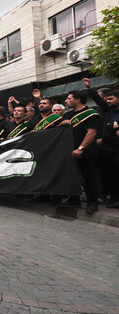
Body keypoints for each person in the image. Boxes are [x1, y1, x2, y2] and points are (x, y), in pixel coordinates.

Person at [59, 90, 101, 213]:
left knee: (89, 177)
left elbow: (91, 132)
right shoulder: (68, 115)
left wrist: (80, 148)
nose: (66, 101)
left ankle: (92, 203)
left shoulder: (91, 113)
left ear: (78, 100)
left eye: (68, 98)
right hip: (70, 150)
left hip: (85, 150)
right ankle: (74, 200)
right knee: (71, 176)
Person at [84, 78, 119, 208]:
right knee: (110, 177)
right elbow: (100, 101)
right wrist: (90, 89)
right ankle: (113, 197)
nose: (107, 101)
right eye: (107, 99)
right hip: (107, 151)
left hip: (116, 151)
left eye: (111, 99)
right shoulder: (110, 111)